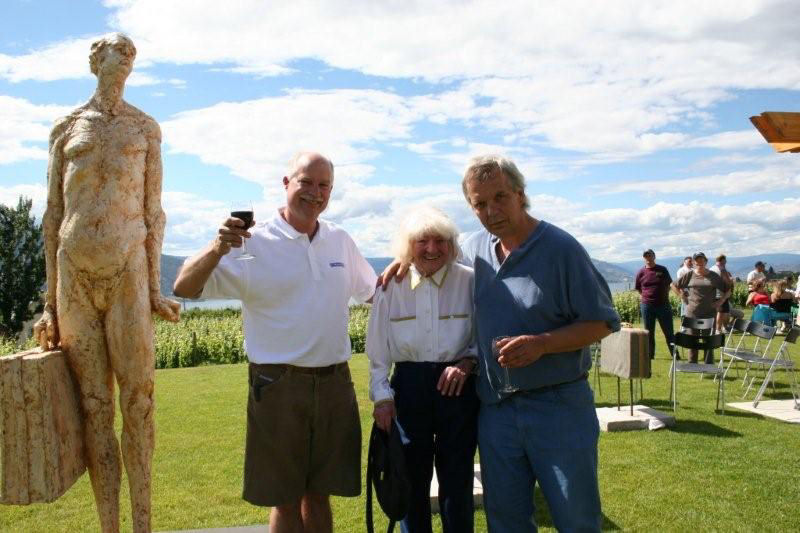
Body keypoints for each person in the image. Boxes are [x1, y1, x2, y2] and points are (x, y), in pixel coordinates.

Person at [381, 155, 620, 532]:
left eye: (500, 197)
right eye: (479, 203)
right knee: (506, 522)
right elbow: (432, 262)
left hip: (557, 406)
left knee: (575, 519)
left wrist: (543, 343)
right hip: (495, 409)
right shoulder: (476, 249)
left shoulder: (561, 249)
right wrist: (401, 262)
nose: (491, 210)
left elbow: (603, 321)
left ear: (520, 194)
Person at [173, 152, 376, 533]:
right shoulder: (251, 243)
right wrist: (218, 247)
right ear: (286, 183)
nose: (315, 193)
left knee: (320, 494)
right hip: (277, 384)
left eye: (324, 185)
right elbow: (184, 286)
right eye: (306, 182)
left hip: (335, 383)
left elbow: (375, 294)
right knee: (284, 499)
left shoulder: (339, 240)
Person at [32, 34, 180, 533]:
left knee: (138, 400)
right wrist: (50, 304)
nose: (128, 57)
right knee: (95, 406)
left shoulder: (145, 129)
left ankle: (143, 525)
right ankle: (109, 528)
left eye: (134, 52)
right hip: (74, 271)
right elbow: (53, 216)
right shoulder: (67, 128)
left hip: (127, 270)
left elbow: (153, 211)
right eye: (119, 50)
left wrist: (155, 287)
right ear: (96, 61)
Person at [367, 206, 479, 533]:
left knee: (457, 480)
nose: (432, 249)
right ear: (407, 245)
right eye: (422, 241)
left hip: (458, 388)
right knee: (411, 480)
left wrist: (468, 362)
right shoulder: (389, 287)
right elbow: (377, 354)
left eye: (440, 241)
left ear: (452, 244)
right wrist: (382, 398)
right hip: (409, 387)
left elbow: (483, 335)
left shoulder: (469, 281)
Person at [671, 252, 730, 364]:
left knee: (709, 340)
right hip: (692, 312)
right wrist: (681, 295)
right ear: (693, 262)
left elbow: (727, 289)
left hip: (709, 313)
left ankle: (708, 363)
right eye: (697, 260)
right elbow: (673, 285)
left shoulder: (713, 275)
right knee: (692, 340)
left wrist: (721, 301)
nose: (699, 262)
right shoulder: (690, 275)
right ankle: (692, 363)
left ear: (706, 261)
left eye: (701, 260)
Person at [634, 249, 674, 359]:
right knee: (649, 333)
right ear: (644, 258)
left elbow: (669, 284)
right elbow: (638, 288)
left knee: (669, 332)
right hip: (647, 306)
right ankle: (650, 355)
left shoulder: (662, 269)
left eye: (649, 255)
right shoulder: (640, 272)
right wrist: (647, 296)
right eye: (645, 256)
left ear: (654, 256)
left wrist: (662, 295)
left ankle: (675, 355)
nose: (648, 258)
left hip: (663, 305)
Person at [710, 254, 734, 333]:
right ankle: (718, 329)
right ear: (722, 260)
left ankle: (721, 328)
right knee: (721, 312)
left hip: (713, 293)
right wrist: (731, 280)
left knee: (720, 312)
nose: (726, 262)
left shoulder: (711, 268)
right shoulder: (721, 269)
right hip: (721, 293)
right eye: (725, 260)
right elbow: (726, 281)